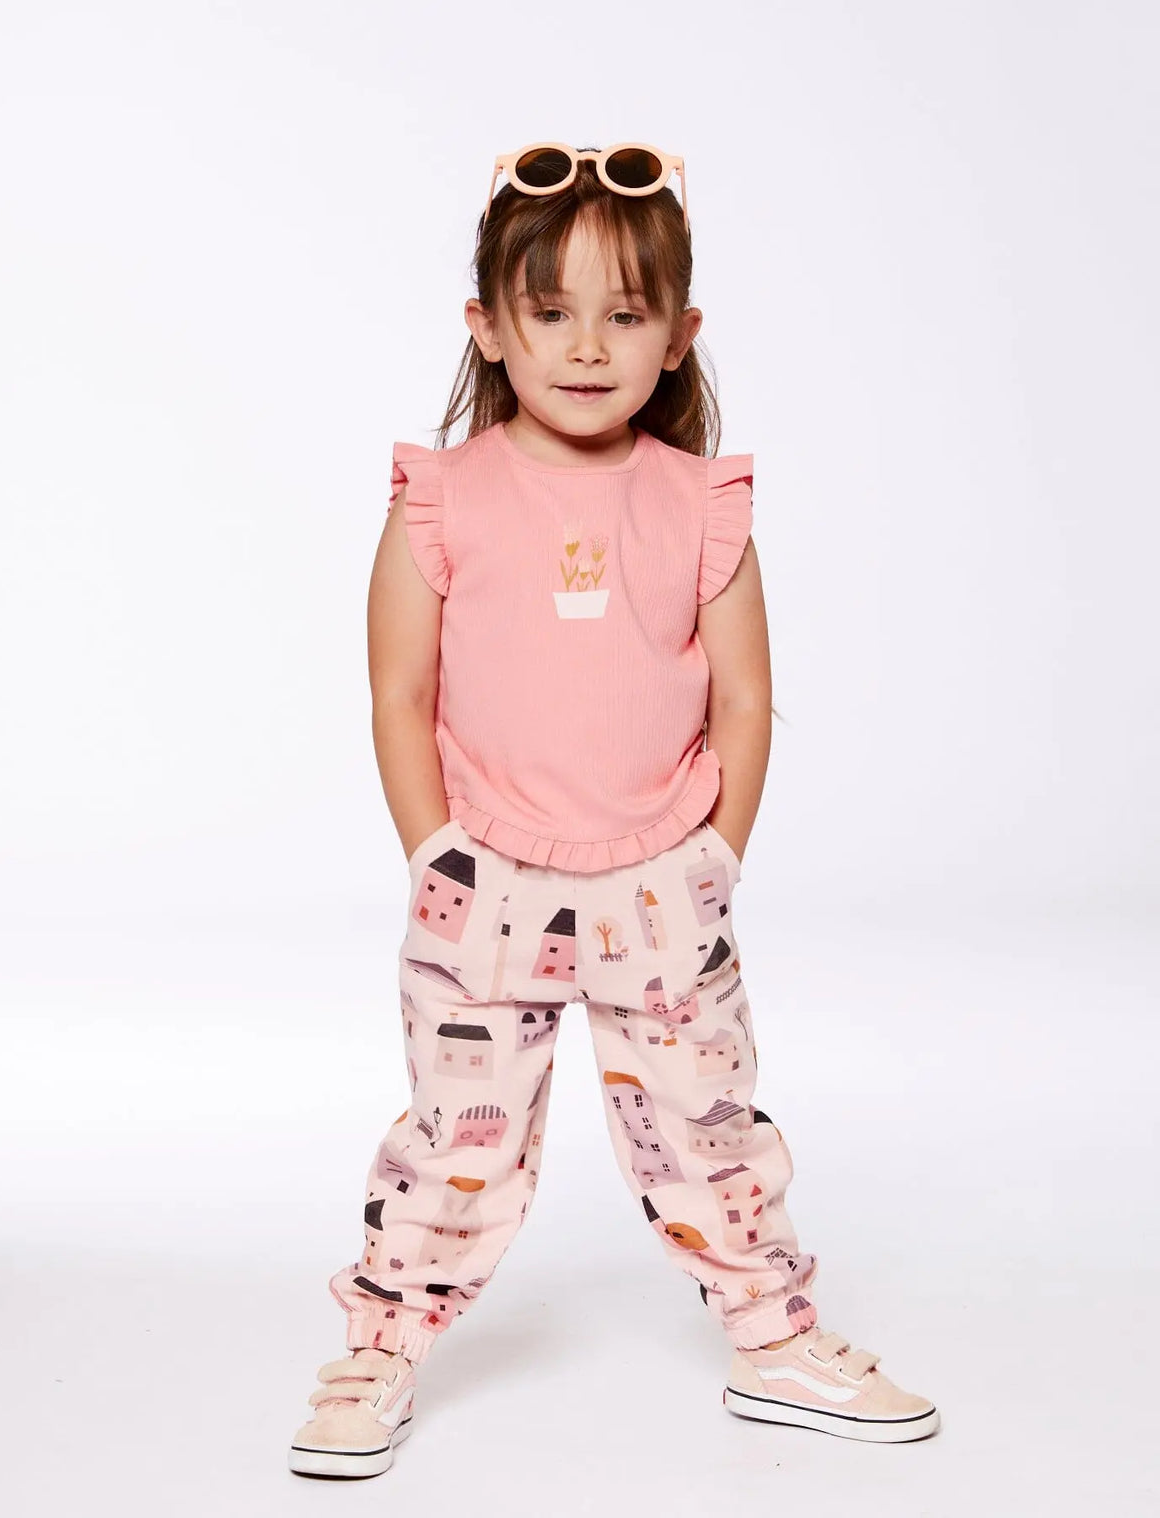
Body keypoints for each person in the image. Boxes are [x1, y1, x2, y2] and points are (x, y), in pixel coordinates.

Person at [289, 143, 940, 1479]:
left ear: (678, 334)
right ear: (488, 324)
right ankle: (380, 1346)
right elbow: (398, 690)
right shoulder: (441, 496)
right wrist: (435, 853)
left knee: (710, 1126)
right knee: (454, 1142)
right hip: (488, 881)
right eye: (551, 310)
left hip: (661, 883)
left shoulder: (700, 503)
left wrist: (713, 858)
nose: (588, 346)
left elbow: (745, 696)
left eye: (625, 313)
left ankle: (774, 1338)